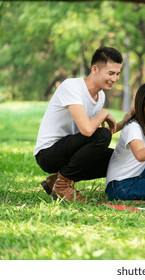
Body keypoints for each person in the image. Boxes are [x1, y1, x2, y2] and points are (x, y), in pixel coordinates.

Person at [34, 46, 129, 202]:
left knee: (115, 159)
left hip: (70, 148)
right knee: (102, 135)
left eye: (118, 74)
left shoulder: (101, 96)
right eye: (111, 73)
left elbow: (91, 138)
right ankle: (63, 186)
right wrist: (103, 113)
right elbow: (87, 130)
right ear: (95, 69)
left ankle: (56, 180)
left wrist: (124, 121)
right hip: (48, 153)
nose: (115, 78)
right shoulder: (72, 87)